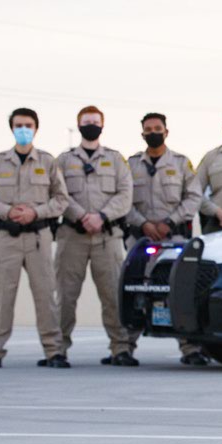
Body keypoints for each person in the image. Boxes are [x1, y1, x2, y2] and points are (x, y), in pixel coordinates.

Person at [0, 107, 70, 368]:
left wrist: (35, 212)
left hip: (38, 235)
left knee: (45, 294)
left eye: (28, 125)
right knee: (2, 295)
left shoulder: (48, 162)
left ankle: (53, 351)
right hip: (7, 237)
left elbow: (61, 199)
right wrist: (7, 211)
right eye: (19, 125)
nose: (24, 130)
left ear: (36, 128)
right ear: (12, 128)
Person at [55, 106, 135, 365]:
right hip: (72, 237)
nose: (91, 125)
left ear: (103, 125)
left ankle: (120, 348)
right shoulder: (64, 161)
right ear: (79, 126)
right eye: (86, 122)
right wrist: (81, 216)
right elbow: (57, 194)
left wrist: (101, 217)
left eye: (95, 122)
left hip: (107, 237)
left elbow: (125, 195)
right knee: (66, 296)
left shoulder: (115, 160)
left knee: (112, 295)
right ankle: (57, 349)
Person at [126, 112, 206, 366]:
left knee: (179, 290)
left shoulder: (181, 163)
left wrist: (169, 222)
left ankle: (189, 347)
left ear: (166, 131)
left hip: (175, 238)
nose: (153, 132)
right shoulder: (130, 164)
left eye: (157, 128)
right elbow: (123, 199)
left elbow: (193, 197)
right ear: (142, 134)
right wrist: (145, 224)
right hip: (140, 240)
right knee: (134, 290)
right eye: (148, 129)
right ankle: (124, 347)